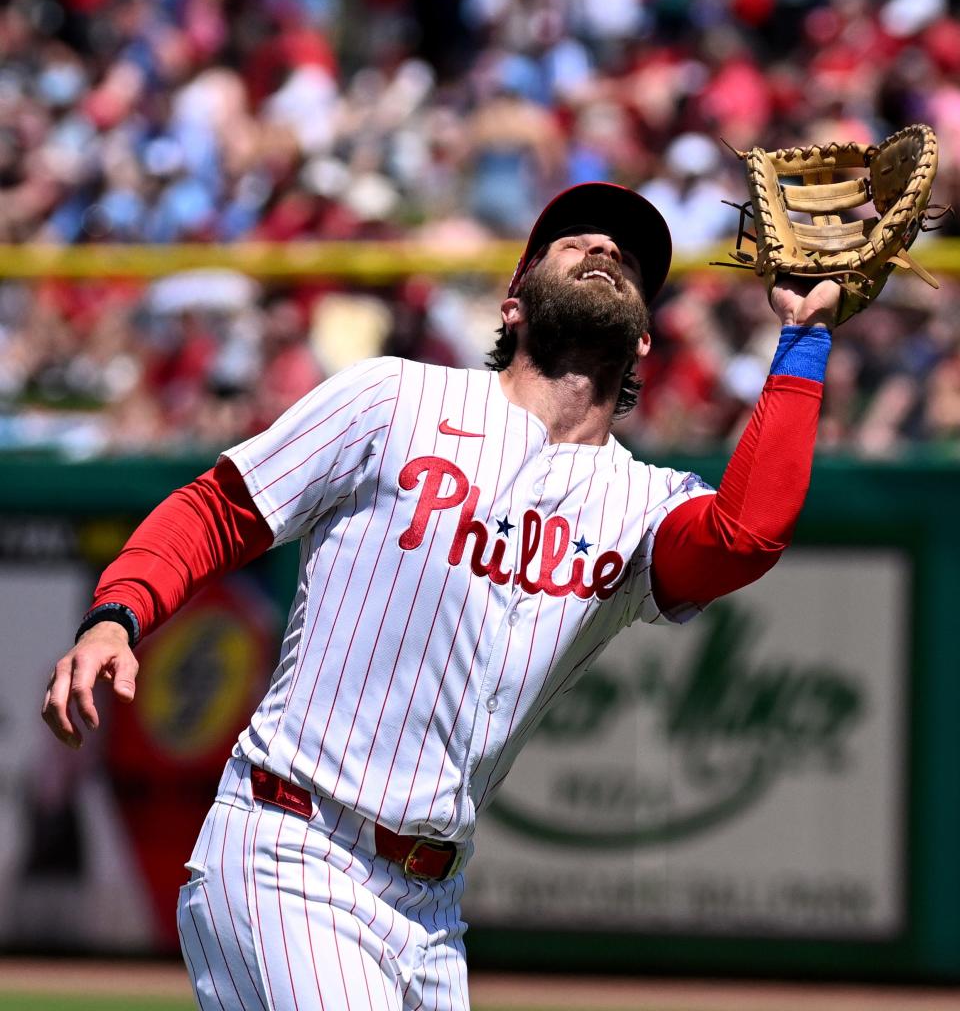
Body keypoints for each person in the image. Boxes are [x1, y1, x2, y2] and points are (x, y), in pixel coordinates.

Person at [42, 181, 839, 1011]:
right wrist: (117, 613)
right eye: (574, 243)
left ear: (644, 340)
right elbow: (222, 508)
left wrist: (805, 338)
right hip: (291, 851)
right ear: (515, 303)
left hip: (431, 913)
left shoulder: (642, 505)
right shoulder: (395, 398)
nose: (603, 251)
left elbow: (743, 536)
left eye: (628, 258)